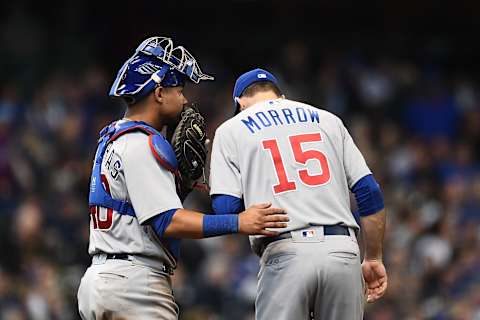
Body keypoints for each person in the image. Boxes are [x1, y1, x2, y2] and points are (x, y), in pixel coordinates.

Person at [77, 38, 289, 320]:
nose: (185, 99)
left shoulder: (115, 135)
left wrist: (181, 188)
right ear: (159, 92)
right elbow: (167, 221)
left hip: (105, 278)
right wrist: (239, 222)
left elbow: (139, 212)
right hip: (134, 284)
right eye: (179, 89)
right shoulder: (141, 143)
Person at [209, 68, 387, 320]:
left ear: (239, 102)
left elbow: (227, 210)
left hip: (285, 251)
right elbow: (369, 192)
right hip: (342, 250)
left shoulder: (231, 129)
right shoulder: (328, 119)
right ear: (279, 95)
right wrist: (373, 257)